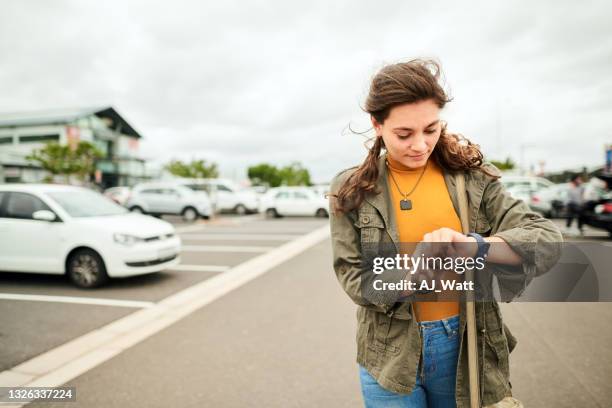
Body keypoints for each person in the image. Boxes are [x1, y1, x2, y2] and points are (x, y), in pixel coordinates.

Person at [328, 59, 562, 408]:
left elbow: (546, 240)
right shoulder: (350, 188)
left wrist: (475, 247)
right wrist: (413, 275)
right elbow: (352, 276)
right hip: (388, 351)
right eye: (404, 134)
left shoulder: (474, 179)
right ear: (377, 125)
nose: (420, 145)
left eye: (431, 129)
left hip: (464, 341)